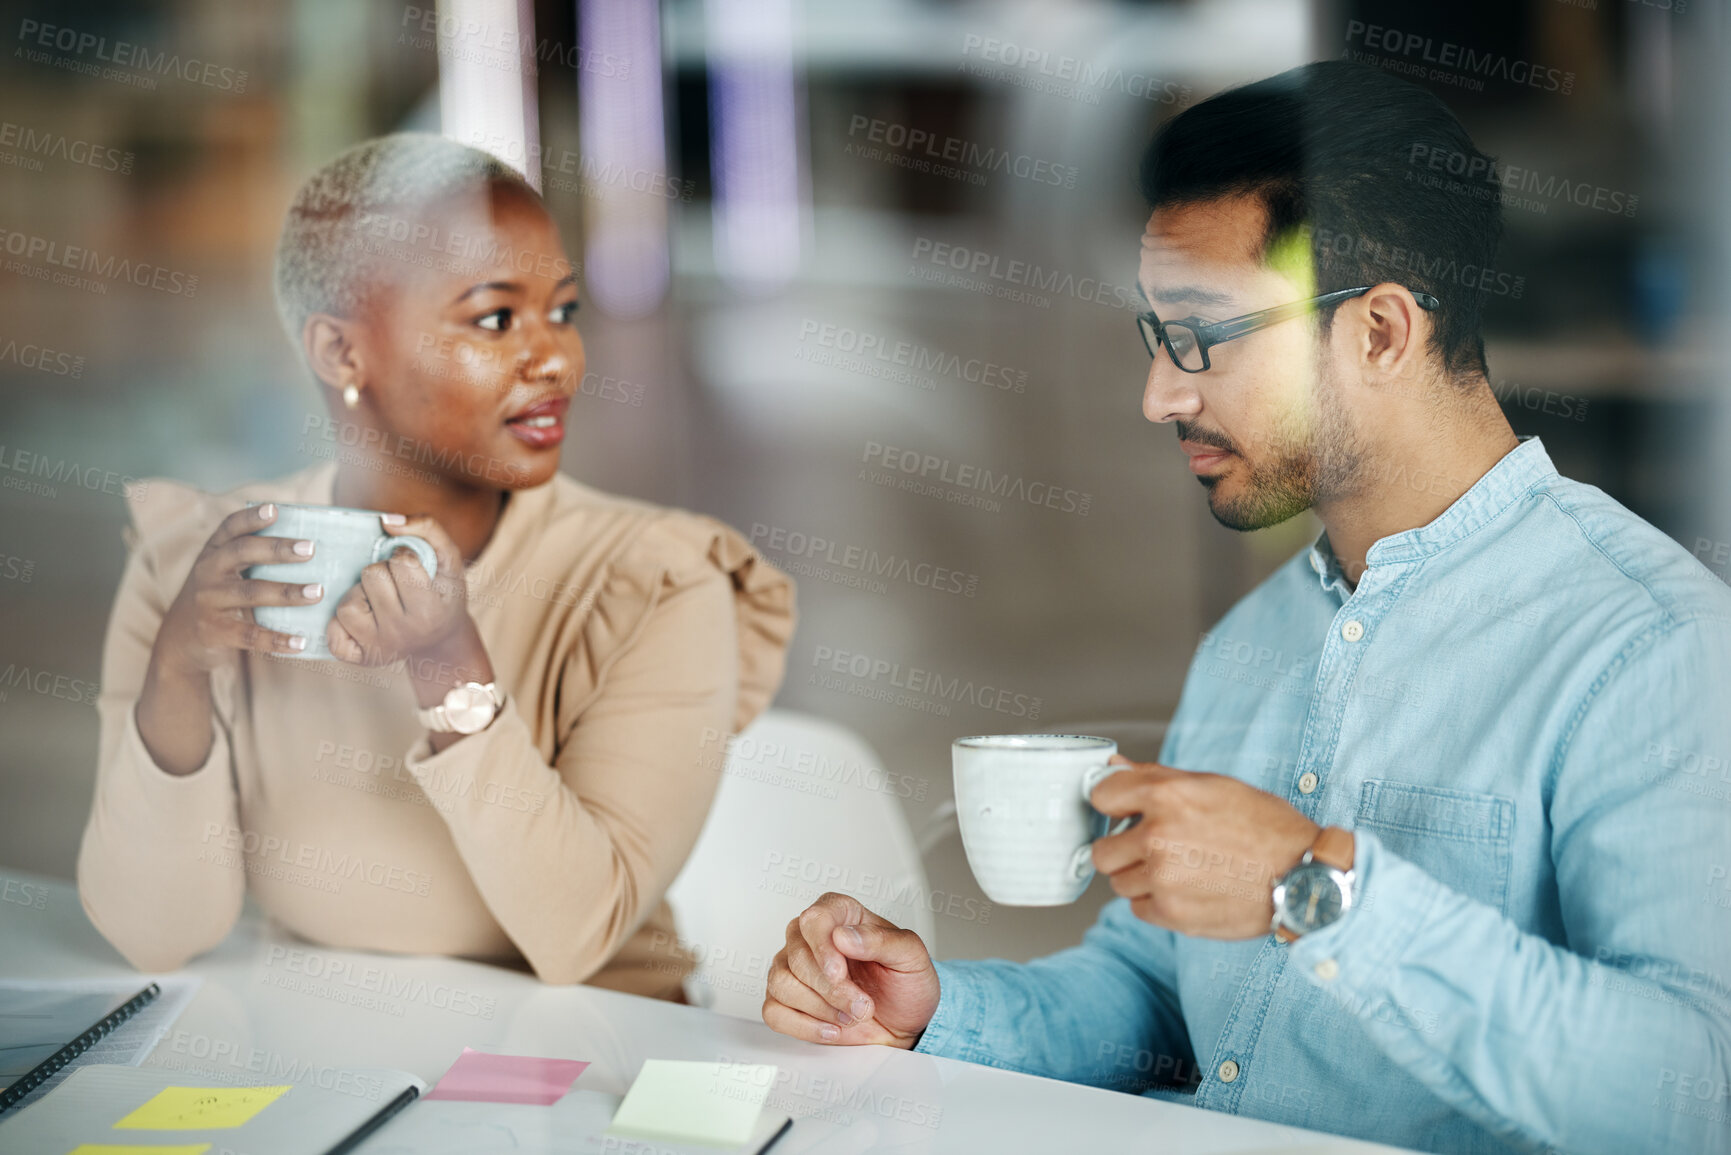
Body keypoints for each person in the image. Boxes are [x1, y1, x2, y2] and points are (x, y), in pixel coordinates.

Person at [762, 60, 1731, 1154]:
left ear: (1380, 333)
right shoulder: (1253, 643)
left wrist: (1309, 886)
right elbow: (1160, 993)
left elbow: (1691, 1094)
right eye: (1157, 336)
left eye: (1204, 338)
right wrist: (939, 1011)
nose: (1160, 394)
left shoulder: (1652, 650)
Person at [78, 134, 796, 999]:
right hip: (334, 1060)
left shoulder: (657, 582)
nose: (556, 359)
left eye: (562, 311)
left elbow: (579, 934)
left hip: (596, 1066)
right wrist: (180, 668)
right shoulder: (203, 565)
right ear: (342, 354)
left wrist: (450, 669)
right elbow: (152, 934)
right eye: (496, 318)